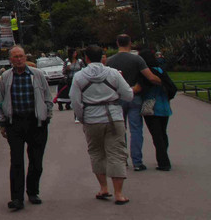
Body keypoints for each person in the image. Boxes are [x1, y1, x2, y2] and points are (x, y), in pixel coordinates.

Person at [70, 45, 134, 205]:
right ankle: (119, 193)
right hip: (114, 117)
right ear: (102, 57)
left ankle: (103, 187)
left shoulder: (79, 76)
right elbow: (128, 95)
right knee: (117, 153)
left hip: (92, 119)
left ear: (86, 58)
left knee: (96, 153)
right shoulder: (112, 73)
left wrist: (82, 117)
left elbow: (75, 101)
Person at [0, 46, 52, 210]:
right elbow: (1, 101)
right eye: (15, 57)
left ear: (25, 57)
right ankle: (17, 198)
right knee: (17, 161)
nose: (19, 59)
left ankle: (33, 191)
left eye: (21, 56)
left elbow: (47, 97)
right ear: (10, 60)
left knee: (36, 161)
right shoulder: (5, 77)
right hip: (15, 123)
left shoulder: (37, 75)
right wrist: (2, 123)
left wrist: (47, 116)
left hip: (36, 122)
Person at [106, 33, 161, 171]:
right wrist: (162, 80)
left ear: (117, 43)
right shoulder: (137, 59)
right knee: (136, 130)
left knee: (119, 130)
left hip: (117, 98)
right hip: (134, 97)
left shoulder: (109, 61)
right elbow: (150, 77)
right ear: (130, 43)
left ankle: (122, 160)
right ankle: (137, 162)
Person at [138, 49, 173, 171]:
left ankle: (163, 162)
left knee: (156, 135)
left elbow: (141, 88)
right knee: (163, 133)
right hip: (164, 105)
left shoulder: (146, 73)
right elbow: (171, 87)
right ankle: (164, 156)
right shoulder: (160, 70)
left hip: (150, 106)